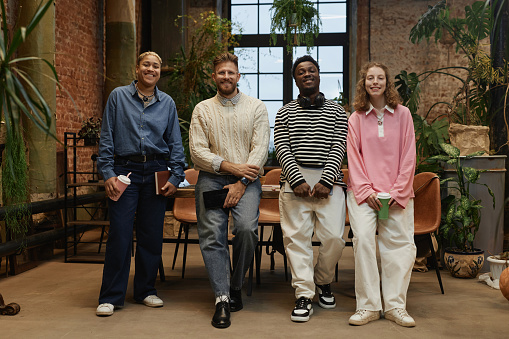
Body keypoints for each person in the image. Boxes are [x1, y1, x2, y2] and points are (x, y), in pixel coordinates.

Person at [96, 51, 186, 316]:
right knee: (120, 235)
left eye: (156, 66)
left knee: (151, 235)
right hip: (125, 172)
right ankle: (111, 296)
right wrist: (108, 173)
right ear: (137, 68)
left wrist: (175, 176)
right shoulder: (118, 97)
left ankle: (146, 290)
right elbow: (106, 138)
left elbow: (175, 143)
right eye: (146, 64)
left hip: (157, 171)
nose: (151, 69)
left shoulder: (167, 103)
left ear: (160, 71)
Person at [189, 52, 270, 329]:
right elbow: (197, 153)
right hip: (211, 180)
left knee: (247, 229)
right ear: (214, 77)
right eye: (221, 72)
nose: (226, 77)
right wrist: (231, 169)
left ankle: (236, 284)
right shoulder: (202, 109)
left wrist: (241, 182)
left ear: (238, 76)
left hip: (246, 183)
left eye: (230, 72)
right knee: (213, 235)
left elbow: (259, 150)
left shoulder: (256, 107)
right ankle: (222, 299)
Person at [274, 55, 348, 322]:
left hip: (330, 181)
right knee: (297, 240)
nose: (307, 74)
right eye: (301, 71)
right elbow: (282, 148)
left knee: (335, 238)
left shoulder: (338, 112)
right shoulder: (284, 112)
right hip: (295, 182)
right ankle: (303, 294)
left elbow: (339, 145)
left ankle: (323, 280)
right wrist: (296, 180)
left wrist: (327, 180)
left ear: (319, 74)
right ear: (295, 79)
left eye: (311, 70)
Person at [346, 62, 416, 327]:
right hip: (364, 195)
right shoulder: (355, 118)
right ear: (364, 83)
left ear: (388, 82)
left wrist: (397, 191)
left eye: (380, 78)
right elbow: (353, 158)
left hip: (397, 194)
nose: (375, 82)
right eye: (370, 78)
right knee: (363, 241)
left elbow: (409, 156)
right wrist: (367, 191)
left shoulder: (403, 115)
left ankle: (396, 306)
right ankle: (368, 306)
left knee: (398, 247)